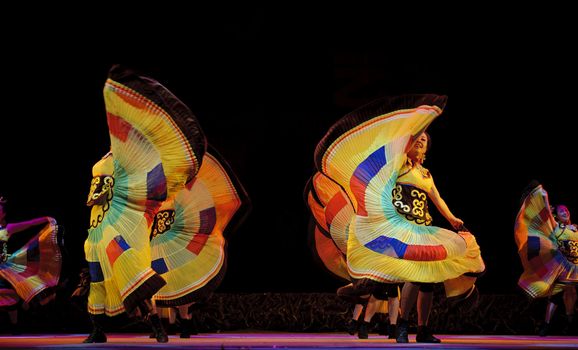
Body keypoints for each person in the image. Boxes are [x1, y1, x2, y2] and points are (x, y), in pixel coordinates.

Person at [312, 94, 485, 343]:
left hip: (422, 229)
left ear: (426, 148)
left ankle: (423, 329)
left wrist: (452, 218)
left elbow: (437, 199)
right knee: (413, 277)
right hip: (398, 227)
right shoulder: (399, 165)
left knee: (428, 282)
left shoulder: (426, 175)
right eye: (417, 139)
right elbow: (385, 159)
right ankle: (397, 318)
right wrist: (414, 125)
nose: (420, 142)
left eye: (424, 140)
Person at [82, 65, 207, 344]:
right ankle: (97, 330)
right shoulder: (106, 157)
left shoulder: (132, 163)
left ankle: (156, 325)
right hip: (98, 225)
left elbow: (149, 185)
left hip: (122, 224)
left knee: (130, 274)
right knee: (96, 281)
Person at [515, 186, 578, 336]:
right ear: (558, 215)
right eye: (561, 211)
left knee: (571, 293)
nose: (565, 212)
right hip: (563, 268)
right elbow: (548, 215)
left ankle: (570, 322)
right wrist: (544, 198)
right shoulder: (557, 228)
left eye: (566, 210)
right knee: (556, 296)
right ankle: (547, 325)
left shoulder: (575, 228)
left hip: (576, 267)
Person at [0, 196, 63, 335]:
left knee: (16, 293)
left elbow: (29, 223)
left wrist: (46, 218)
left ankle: (18, 323)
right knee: (9, 296)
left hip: (5, 268)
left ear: (3, 213)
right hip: (4, 268)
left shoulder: (7, 229)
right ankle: (21, 314)